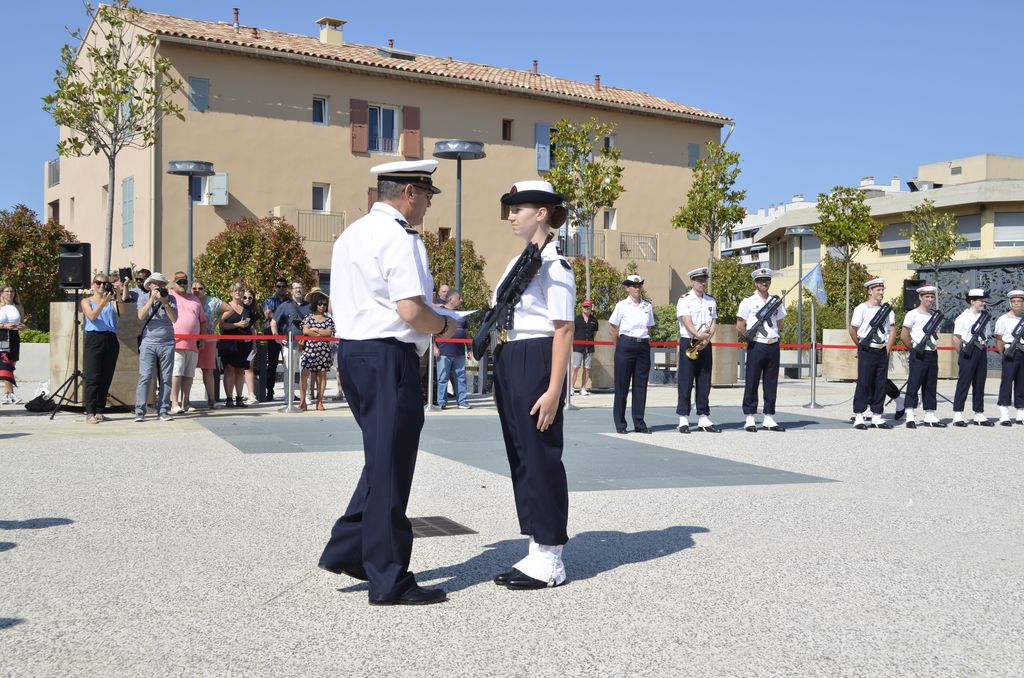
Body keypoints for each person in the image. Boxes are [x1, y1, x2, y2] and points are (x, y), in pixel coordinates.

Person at [318, 159, 456, 606]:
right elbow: (412, 311)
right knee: (393, 465)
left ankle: (350, 549)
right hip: (386, 356)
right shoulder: (400, 238)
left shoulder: (352, 233)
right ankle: (389, 577)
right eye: (428, 197)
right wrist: (445, 327)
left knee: (381, 458)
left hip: (354, 352)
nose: (428, 207)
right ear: (410, 193)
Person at [489, 180, 574, 590]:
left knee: (540, 454)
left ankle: (552, 557)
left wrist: (555, 390)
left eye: (517, 209)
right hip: (510, 357)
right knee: (521, 454)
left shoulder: (555, 265)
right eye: (509, 209)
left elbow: (563, 329)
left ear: (541, 213)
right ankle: (535, 548)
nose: (510, 216)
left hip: (536, 357)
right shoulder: (521, 261)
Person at [736, 267, 785, 432]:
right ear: (755, 282)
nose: (763, 283)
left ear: (770, 282)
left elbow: (779, 321)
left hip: (773, 344)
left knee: (771, 382)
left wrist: (774, 335)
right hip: (757, 344)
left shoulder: (775, 301)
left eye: (766, 280)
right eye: (760, 280)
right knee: (752, 381)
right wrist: (749, 337)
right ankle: (749, 417)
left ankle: (769, 417)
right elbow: (740, 325)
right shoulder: (748, 301)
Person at [608, 275, 655, 434]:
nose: (636, 288)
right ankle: (620, 424)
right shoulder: (621, 305)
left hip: (642, 345)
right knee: (622, 385)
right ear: (627, 288)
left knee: (640, 386)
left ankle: (639, 422)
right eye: (633, 286)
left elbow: (648, 327)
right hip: (625, 344)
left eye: (639, 285)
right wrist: (620, 345)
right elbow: (613, 327)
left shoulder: (647, 306)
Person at [849, 277, 897, 430]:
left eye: (882, 290)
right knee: (864, 382)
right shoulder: (861, 308)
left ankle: (877, 415)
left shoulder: (887, 310)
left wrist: (887, 348)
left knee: (880, 383)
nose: (881, 293)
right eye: (878, 290)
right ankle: (859, 415)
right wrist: (861, 345)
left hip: (881, 349)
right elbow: (853, 330)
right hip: (867, 349)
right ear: (870, 291)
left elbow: (891, 330)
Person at [676, 267, 719, 433]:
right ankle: (683, 418)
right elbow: (686, 321)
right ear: (692, 281)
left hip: (705, 343)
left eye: (703, 280)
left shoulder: (710, 301)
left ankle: (703, 416)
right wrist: (698, 335)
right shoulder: (685, 299)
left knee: (704, 380)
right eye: (698, 280)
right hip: (690, 341)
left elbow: (713, 321)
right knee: (686, 381)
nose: (702, 283)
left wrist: (707, 339)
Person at [899, 284, 946, 428]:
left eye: (932, 296)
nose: (930, 299)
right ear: (920, 297)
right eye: (927, 296)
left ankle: (929, 414)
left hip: (932, 353)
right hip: (919, 353)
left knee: (930, 384)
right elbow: (904, 335)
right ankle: (910, 414)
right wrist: (912, 349)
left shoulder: (932, 316)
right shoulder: (913, 314)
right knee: (914, 383)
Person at [134, 272, 178, 422]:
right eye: (155, 283)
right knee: (145, 377)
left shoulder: (171, 298)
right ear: (149, 285)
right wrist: (152, 299)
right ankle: (140, 411)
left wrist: (165, 303)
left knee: (166, 378)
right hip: (148, 343)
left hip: (167, 342)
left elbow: (174, 319)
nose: (158, 286)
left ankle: (164, 409)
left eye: (161, 284)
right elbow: (140, 316)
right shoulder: (142, 297)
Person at [80, 273, 124, 423]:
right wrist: (103, 302)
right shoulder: (87, 301)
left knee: (106, 377)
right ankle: (90, 411)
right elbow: (92, 316)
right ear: (93, 284)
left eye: (104, 283)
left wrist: (118, 294)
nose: (101, 286)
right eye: (98, 283)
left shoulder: (111, 302)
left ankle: (100, 410)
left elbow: (121, 313)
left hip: (110, 338)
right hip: (94, 338)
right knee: (93, 377)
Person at [952, 288, 994, 427]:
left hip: (981, 350)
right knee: (964, 383)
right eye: (981, 300)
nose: (983, 302)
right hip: (968, 351)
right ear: (972, 301)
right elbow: (956, 338)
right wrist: (962, 354)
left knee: (980, 382)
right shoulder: (963, 317)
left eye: (983, 300)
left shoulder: (985, 316)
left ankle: (979, 413)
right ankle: (958, 414)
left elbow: (987, 336)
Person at [168, 271, 206, 414]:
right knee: (176, 373)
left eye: (185, 282)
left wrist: (202, 338)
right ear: (174, 283)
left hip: (193, 343)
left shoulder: (195, 299)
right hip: (176, 341)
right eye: (179, 282)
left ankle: (186, 402)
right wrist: (169, 285)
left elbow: (202, 320)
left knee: (189, 374)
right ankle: (174, 403)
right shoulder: (169, 295)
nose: (183, 285)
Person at [271, 281, 311, 401]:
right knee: (289, 371)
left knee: (305, 372)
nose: (298, 290)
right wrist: (276, 337)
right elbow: (274, 322)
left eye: (300, 287)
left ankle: (306, 397)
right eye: (295, 288)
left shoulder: (309, 306)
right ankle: (289, 397)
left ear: (303, 289)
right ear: (291, 290)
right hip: (289, 344)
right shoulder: (285, 305)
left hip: (306, 345)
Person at [218, 282, 256, 407]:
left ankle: (239, 398)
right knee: (229, 370)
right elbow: (221, 325)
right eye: (235, 290)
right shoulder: (227, 307)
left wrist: (254, 345)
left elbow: (252, 328)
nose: (238, 292)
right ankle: (229, 399)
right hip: (229, 344)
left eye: (240, 290)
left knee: (241, 371)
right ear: (231, 293)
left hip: (245, 345)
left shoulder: (247, 309)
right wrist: (236, 325)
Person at [434, 290, 471, 410]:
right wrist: (435, 347)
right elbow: (433, 331)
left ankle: (462, 401)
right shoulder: (440, 312)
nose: (461, 300)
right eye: (459, 298)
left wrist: (469, 348)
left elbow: (466, 332)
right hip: (443, 351)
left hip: (459, 351)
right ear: (451, 300)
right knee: (442, 378)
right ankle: (441, 402)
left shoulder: (462, 314)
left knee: (461, 377)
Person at [299, 288, 335, 411]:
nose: (322, 306)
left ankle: (320, 401)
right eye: (320, 304)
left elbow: (329, 333)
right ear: (315, 304)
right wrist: (321, 333)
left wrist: (315, 330)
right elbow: (305, 331)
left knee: (322, 376)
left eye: (325, 304)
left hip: (323, 351)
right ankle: (303, 401)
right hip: (309, 350)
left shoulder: (329, 319)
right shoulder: (308, 317)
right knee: (304, 374)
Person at [192, 280, 223, 409]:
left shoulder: (213, 301)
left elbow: (229, 309)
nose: (197, 290)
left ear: (204, 289)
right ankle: (184, 402)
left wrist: (216, 321)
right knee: (186, 372)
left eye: (200, 288)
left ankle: (211, 400)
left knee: (208, 371)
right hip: (190, 338)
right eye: (194, 288)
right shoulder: (188, 299)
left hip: (208, 338)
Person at [995, 289, 1024, 426]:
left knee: (1022, 383)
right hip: (1009, 352)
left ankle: (1020, 413)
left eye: (1019, 301)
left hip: (1022, 352)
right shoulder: (1003, 319)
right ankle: (1004, 413)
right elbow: (999, 339)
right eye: (1014, 301)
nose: (1016, 304)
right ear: (1010, 303)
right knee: (1006, 383)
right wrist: (1002, 355)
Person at [260, 277, 291, 401]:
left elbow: (292, 315)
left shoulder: (290, 301)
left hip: (287, 334)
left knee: (289, 365)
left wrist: (277, 314)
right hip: (272, 334)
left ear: (287, 288)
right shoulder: (269, 300)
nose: (281, 288)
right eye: (279, 286)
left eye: (283, 286)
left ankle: (289, 393)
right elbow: (268, 314)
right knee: (272, 364)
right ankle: (270, 392)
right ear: (275, 287)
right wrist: (285, 315)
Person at [0, 283, 26, 405]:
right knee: (5, 365)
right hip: (3, 336)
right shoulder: (0, 307)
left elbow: (22, 323)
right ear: (2, 293)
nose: (10, 294)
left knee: (11, 365)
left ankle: (8, 394)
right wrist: (4, 326)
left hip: (14, 337)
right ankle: (10, 394)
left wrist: (22, 327)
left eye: (12, 291)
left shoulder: (18, 307)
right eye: (7, 291)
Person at [571, 299, 598, 395]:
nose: (586, 308)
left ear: (591, 308)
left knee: (587, 369)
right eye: (584, 307)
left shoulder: (594, 320)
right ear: (582, 308)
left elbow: (594, 334)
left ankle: (583, 388)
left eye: (588, 307)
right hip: (578, 347)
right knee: (575, 367)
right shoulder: (576, 319)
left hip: (589, 347)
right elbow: (572, 332)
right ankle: (572, 388)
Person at [241, 287, 262, 404]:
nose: (247, 300)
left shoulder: (253, 312)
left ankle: (251, 394)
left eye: (250, 298)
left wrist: (254, 345)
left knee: (249, 367)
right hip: (236, 344)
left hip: (249, 345)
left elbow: (255, 329)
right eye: (245, 297)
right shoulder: (236, 308)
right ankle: (237, 396)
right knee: (236, 370)